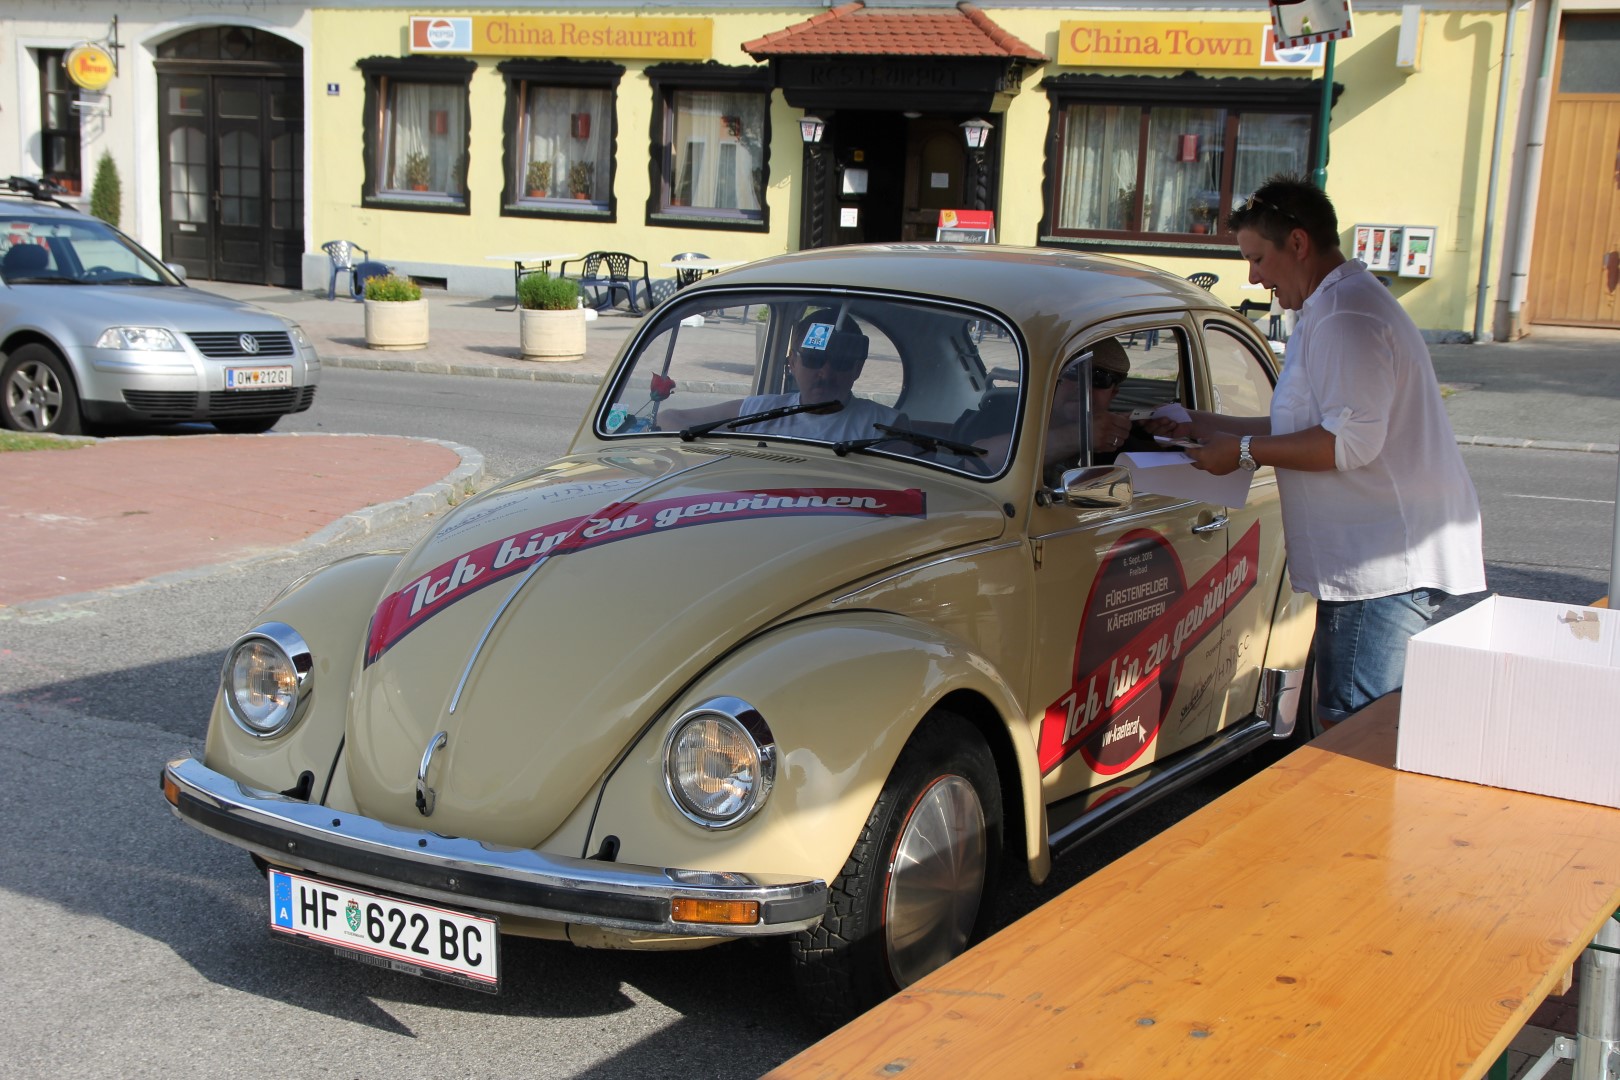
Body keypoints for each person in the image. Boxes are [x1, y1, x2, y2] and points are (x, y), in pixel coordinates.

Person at [1156, 174, 1485, 727]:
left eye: (1258, 259)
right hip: (1372, 559)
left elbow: (1349, 442)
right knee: (1354, 726)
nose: (1254, 277)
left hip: (1382, 565)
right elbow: (1309, 423)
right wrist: (1201, 423)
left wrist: (1241, 451)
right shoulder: (1332, 306)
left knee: (1354, 733)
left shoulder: (1344, 316)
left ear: (1299, 243)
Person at [656, 308, 899, 440]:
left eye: (841, 363)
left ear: (857, 369)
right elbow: (670, 418)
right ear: (792, 362)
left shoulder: (885, 426)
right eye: (814, 359)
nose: (826, 372)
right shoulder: (757, 412)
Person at [976, 336, 1145, 479]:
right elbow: (977, 462)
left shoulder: (1118, 440)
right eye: (1072, 371)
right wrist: (1080, 434)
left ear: (1112, 393)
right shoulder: (1001, 417)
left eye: (1100, 379)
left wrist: (1164, 436)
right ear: (1049, 379)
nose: (1083, 386)